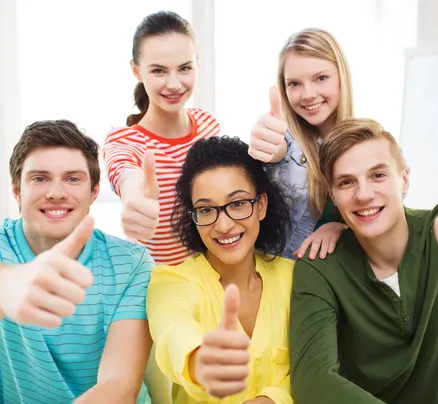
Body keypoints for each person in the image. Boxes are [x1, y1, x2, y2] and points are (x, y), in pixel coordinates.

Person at [289, 118, 438, 404]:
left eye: (378, 175)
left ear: (403, 179)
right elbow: (312, 379)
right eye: (346, 182)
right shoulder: (318, 266)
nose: (364, 194)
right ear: (333, 195)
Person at [0, 120, 154, 404]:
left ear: (93, 192)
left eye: (73, 179)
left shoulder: (132, 263)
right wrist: (5, 285)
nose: (56, 192)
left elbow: (119, 385)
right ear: (17, 190)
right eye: (40, 178)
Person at [146, 136, 294, 404]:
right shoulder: (171, 281)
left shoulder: (295, 278)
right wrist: (200, 361)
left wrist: (273, 399)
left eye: (237, 204)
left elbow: (312, 367)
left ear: (260, 206)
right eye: (206, 209)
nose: (223, 225)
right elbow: (172, 329)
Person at [103, 10, 220, 266]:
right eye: (158, 71)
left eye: (185, 68)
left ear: (197, 64)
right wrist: (135, 200)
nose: (174, 83)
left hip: (211, 280)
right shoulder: (124, 142)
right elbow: (126, 174)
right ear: (136, 71)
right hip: (155, 286)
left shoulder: (208, 126)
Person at [248, 28, 353, 260]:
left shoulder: (365, 142)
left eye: (321, 78)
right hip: (280, 280)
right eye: (294, 84)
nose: (308, 94)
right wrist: (267, 148)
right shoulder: (285, 140)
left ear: (341, 76)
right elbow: (279, 154)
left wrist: (342, 228)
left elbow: (385, 209)